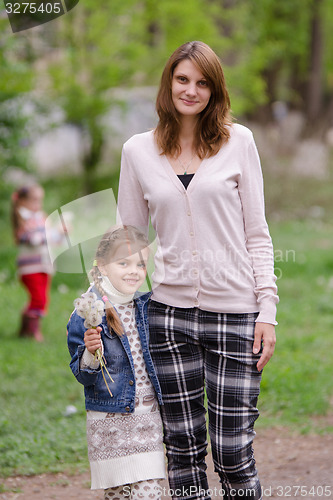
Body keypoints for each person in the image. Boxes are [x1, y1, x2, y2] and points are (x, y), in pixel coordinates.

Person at [117, 41, 279, 500]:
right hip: (168, 318)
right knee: (183, 451)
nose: (191, 90)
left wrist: (267, 309)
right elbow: (128, 237)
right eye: (183, 79)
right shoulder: (138, 151)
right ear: (169, 83)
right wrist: (104, 302)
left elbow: (257, 234)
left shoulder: (239, 142)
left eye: (202, 82)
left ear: (215, 90)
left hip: (236, 315)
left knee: (232, 455)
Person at [67, 226, 166, 500]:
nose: (133, 271)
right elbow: (83, 375)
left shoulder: (146, 305)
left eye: (140, 264)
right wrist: (90, 352)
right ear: (102, 266)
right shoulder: (86, 311)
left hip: (147, 421)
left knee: (150, 494)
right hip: (110, 426)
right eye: (124, 263)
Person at [11, 184, 58, 341]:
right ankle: (33, 332)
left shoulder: (41, 218)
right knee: (39, 299)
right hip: (30, 268)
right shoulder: (23, 220)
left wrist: (61, 233)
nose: (38, 204)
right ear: (22, 202)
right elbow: (31, 239)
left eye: (40, 200)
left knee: (42, 298)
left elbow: (52, 240)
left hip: (43, 265)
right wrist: (49, 235)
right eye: (34, 200)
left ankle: (25, 329)